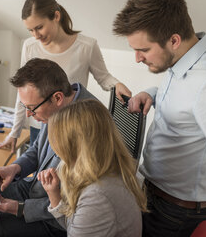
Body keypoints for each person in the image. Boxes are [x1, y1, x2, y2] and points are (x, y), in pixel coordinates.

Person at [112, 0, 206, 236]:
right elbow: (188, 103)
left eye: (143, 49)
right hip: (155, 193)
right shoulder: (181, 59)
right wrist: (152, 94)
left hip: (177, 213)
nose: (136, 58)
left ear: (174, 40)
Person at [0, 0, 131, 152]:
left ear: (56, 16)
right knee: (40, 173)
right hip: (39, 126)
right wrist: (15, 132)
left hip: (72, 128)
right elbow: (23, 94)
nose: (36, 35)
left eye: (39, 27)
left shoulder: (86, 46)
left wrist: (117, 84)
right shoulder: (30, 46)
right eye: (30, 30)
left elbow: (104, 77)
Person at [0, 58, 99, 237]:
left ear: (57, 98)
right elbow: (38, 148)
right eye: (25, 108)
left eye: (32, 108)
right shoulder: (55, 108)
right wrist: (15, 168)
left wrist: (22, 208)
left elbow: (75, 203)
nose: (29, 114)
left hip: (54, 218)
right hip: (35, 190)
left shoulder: (90, 127)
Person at [37, 99, 147, 237]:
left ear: (74, 146)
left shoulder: (97, 195)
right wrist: (54, 194)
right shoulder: (106, 171)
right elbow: (74, 225)